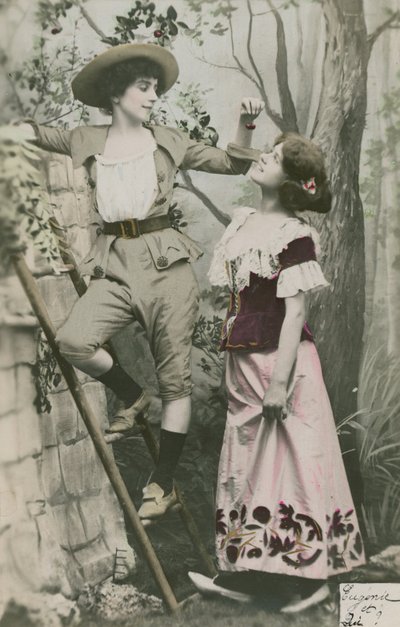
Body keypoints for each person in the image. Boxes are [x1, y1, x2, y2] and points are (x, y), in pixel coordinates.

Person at [19, 42, 263, 523]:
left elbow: (232, 163)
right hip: (114, 263)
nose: (153, 97)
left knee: (176, 381)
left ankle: (162, 481)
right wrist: (17, 128)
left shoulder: (168, 140)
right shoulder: (85, 138)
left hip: (166, 265)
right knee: (72, 339)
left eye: (155, 89)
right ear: (116, 93)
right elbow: (38, 133)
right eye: (144, 88)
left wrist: (246, 123)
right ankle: (132, 395)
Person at [189, 133, 366, 612]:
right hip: (243, 363)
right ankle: (252, 576)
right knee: (250, 468)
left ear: (290, 182)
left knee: (296, 467)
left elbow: (293, 314)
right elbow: (249, 160)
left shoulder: (294, 234)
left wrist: (281, 384)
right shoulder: (245, 220)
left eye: (272, 158)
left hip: (281, 365)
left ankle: (319, 581)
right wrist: (246, 132)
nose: (262, 158)